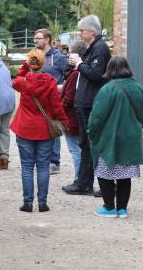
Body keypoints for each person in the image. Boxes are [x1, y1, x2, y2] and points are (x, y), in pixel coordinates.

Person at [87, 56, 143, 218]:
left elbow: (96, 116)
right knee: (125, 175)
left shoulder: (107, 89)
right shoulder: (139, 88)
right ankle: (122, 209)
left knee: (104, 172)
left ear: (110, 69)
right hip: (131, 138)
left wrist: (91, 133)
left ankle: (109, 208)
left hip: (109, 138)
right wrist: (137, 126)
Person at [11, 49, 68, 213]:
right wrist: (64, 121)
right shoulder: (50, 81)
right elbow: (56, 106)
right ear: (43, 63)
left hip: (25, 128)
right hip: (44, 129)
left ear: (30, 63)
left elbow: (15, 81)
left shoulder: (23, 81)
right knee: (43, 167)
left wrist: (24, 65)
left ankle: (27, 202)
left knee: (27, 167)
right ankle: (42, 203)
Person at [63, 15, 111, 196]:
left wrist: (80, 63)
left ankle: (104, 184)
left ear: (92, 31)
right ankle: (84, 183)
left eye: (82, 30)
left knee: (93, 144)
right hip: (84, 102)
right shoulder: (93, 47)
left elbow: (97, 74)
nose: (80, 34)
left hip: (91, 103)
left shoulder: (100, 48)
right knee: (85, 144)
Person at [34, 28, 68, 175]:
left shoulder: (58, 57)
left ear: (47, 40)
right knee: (39, 130)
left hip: (53, 101)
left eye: (38, 38)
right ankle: (42, 160)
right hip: (36, 102)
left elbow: (71, 76)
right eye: (34, 38)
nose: (35, 40)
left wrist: (60, 88)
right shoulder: (34, 56)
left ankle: (54, 162)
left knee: (53, 129)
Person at [60, 40, 87, 183]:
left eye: (70, 52)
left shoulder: (76, 73)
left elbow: (69, 97)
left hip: (71, 118)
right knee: (77, 149)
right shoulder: (74, 72)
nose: (68, 55)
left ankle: (79, 178)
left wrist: (59, 111)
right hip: (73, 117)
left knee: (76, 150)